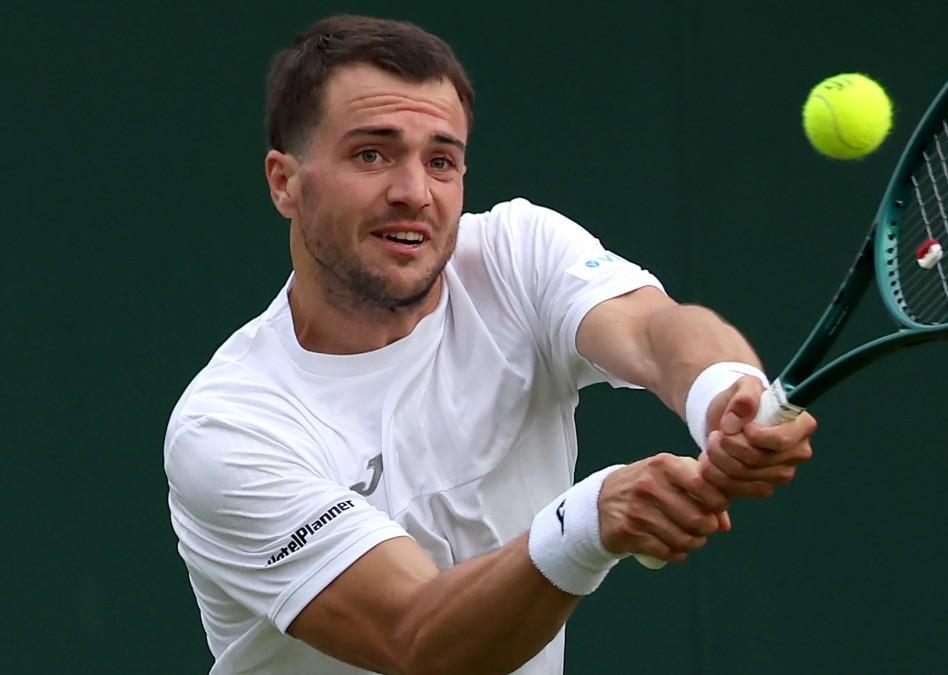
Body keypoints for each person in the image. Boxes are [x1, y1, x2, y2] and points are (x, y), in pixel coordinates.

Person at [164, 14, 817, 675]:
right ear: (285, 181)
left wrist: (722, 396)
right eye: (372, 154)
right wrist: (592, 519)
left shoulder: (513, 255)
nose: (414, 193)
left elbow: (655, 331)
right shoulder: (229, 427)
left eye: (441, 160)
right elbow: (418, 638)